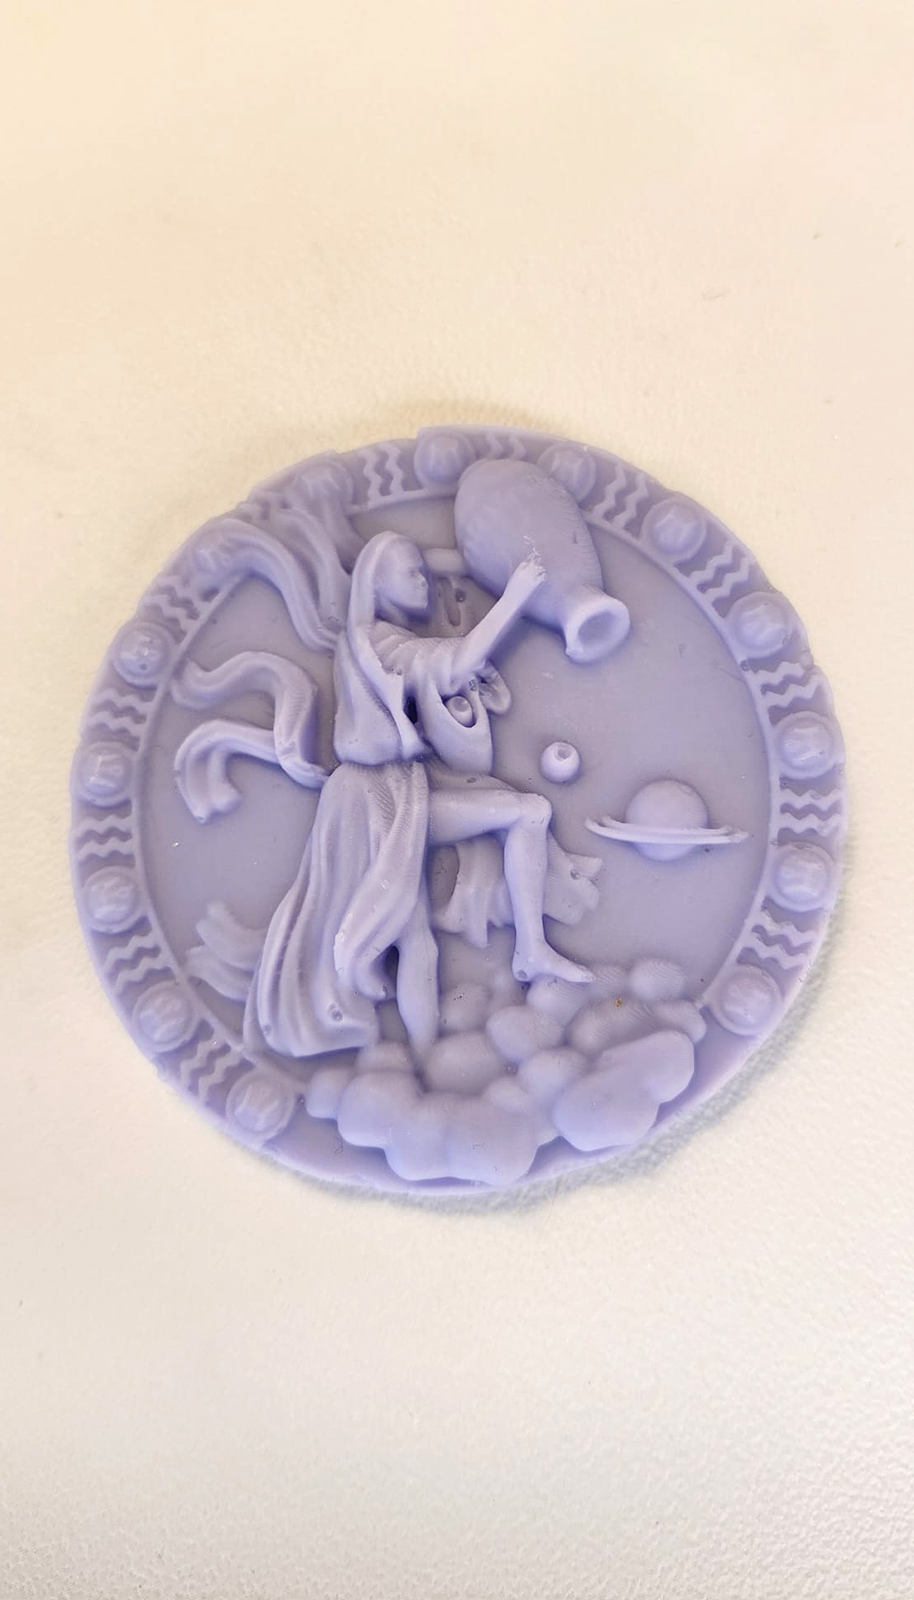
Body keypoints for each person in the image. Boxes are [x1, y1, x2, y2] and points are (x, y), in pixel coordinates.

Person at [251, 531, 591, 1060]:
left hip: (404, 791)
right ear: (375, 581)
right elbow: (454, 661)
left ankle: (526, 955)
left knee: (524, 816)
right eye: (410, 572)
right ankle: (424, 1059)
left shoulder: (384, 642)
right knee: (414, 933)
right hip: (368, 801)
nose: (423, 582)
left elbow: (442, 678)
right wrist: (516, 594)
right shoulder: (371, 640)